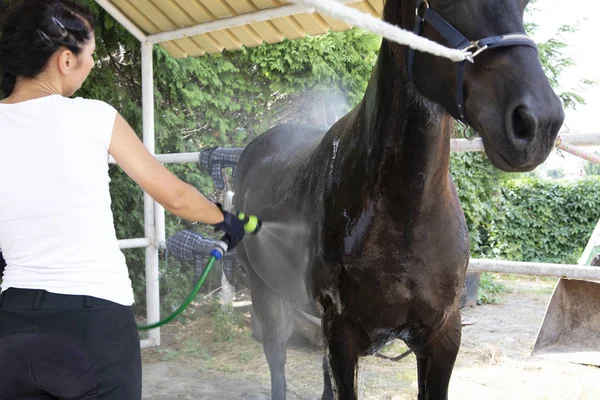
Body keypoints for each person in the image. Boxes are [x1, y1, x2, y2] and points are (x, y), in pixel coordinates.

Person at [0, 1, 247, 398]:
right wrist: (225, 220)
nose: (93, 64)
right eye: (91, 55)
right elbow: (176, 197)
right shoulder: (92, 116)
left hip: (11, 326)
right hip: (92, 325)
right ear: (66, 60)